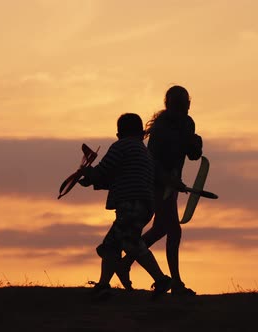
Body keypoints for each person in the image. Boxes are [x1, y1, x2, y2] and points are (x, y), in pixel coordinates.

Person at [117, 86, 202, 295]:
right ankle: (177, 284)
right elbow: (151, 160)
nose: (185, 107)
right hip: (155, 183)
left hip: (171, 185)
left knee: (161, 228)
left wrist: (196, 144)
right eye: (181, 103)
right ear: (170, 104)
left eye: (186, 103)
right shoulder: (161, 128)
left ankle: (125, 262)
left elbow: (192, 155)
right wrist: (167, 180)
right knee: (173, 229)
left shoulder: (188, 123)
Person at [79, 113, 172, 299]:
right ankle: (104, 285)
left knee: (129, 243)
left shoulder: (120, 147)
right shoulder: (144, 152)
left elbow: (105, 170)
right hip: (145, 206)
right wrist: (93, 179)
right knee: (112, 244)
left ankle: (161, 279)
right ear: (141, 133)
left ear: (118, 133)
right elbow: (119, 178)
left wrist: (89, 174)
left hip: (130, 204)